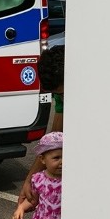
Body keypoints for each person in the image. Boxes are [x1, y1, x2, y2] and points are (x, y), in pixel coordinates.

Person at [18, 44, 64, 208]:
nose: (60, 98)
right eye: (57, 95)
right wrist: (30, 180)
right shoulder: (62, 94)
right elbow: (54, 140)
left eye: (61, 94)